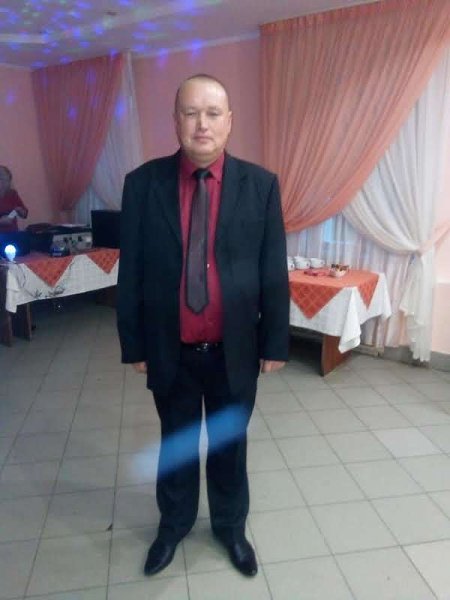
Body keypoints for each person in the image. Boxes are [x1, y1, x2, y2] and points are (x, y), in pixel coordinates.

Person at [117, 73, 290, 578]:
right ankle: (173, 526)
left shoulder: (260, 186)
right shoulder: (142, 185)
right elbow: (132, 272)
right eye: (191, 113)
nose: (202, 124)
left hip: (234, 350)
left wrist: (275, 341)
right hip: (170, 349)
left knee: (229, 447)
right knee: (176, 445)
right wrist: (134, 345)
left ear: (229, 121)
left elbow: (272, 269)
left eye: (213, 113)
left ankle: (230, 529)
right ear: (175, 120)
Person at [0, 165, 28, 232]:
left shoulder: (12, 194)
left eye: (4, 178)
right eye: (1, 178)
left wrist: (20, 211)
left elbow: (25, 214)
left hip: (13, 232)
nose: (2, 181)